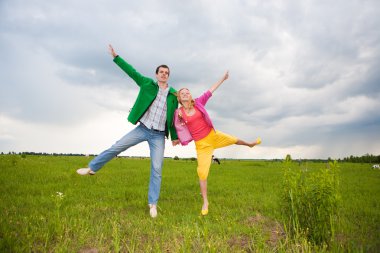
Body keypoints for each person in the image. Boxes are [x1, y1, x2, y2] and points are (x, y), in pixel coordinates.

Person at [77, 45, 180, 218]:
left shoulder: (173, 95)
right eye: (161, 72)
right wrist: (116, 57)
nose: (163, 74)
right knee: (117, 147)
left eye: (166, 72)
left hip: (158, 136)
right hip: (143, 129)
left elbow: (175, 117)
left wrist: (175, 137)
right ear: (156, 75)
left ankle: (152, 204)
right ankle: (92, 167)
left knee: (157, 168)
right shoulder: (147, 83)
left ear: (169, 76)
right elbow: (131, 71)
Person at [173, 71, 261, 216]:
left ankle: (250, 144)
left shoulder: (199, 102)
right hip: (202, 145)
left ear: (190, 95)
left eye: (187, 91)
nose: (185, 93)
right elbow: (180, 128)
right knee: (202, 172)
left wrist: (223, 79)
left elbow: (210, 90)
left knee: (233, 139)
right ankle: (205, 202)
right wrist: (178, 139)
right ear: (179, 97)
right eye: (182, 92)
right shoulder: (179, 112)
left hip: (213, 136)